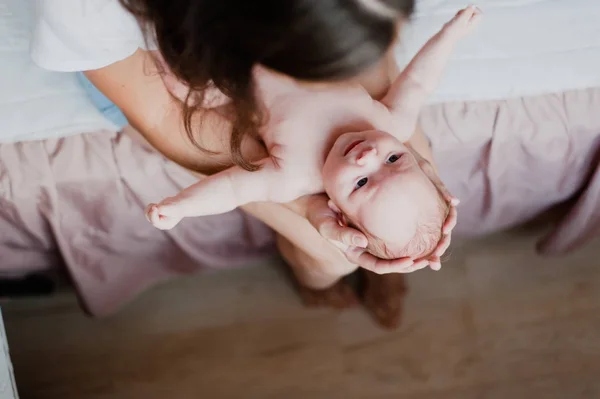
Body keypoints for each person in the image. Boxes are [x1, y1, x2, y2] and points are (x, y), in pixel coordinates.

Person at [30, 0, 457, 313]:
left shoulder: (376, 125)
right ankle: (316, 279)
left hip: (299, 72)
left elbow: (414, 81)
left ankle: (394, 262)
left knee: (411, 197)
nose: (368, 157)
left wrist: (416, 168)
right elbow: (215, 172)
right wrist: (309, 207)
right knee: (329, 253)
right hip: (174, 91)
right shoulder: (89, 11)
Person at [145, 6, 479, 264]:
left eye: (361, 183)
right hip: (292, 39)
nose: (367, 157)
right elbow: (420, 81)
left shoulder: (295, 177)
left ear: (337, 211)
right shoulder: (393, 124)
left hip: (234, 69)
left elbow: (232, 189)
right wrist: (450, 35)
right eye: (394, 158)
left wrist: (182, 207)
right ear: (417, 159)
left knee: (186, 83)